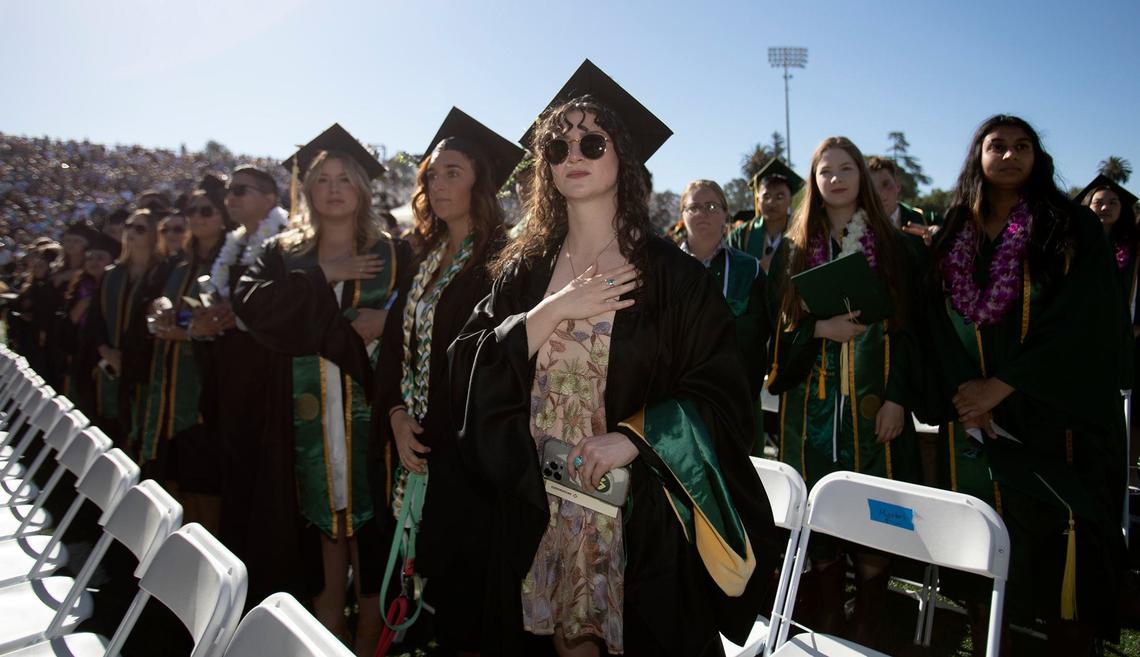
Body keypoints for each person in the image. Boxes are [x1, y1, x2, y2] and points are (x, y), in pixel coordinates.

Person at [449, 60, 773, 657]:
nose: (573, 152)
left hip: (635, 511)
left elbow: (723, 389)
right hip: (534, 501)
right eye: (557, 144)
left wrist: (637, 437)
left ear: (623, 156)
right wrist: (551, 312)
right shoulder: (524, 272)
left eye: (592, 141)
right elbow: (466, 363)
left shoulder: (674, 278)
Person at [920, 115, 1128, 655]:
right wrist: (968, 393)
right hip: (975, 426)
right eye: (997, 146)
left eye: (1022, 146)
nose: (1009, 156)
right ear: (978, 155)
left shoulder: (1069, 226)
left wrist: (1004, 385)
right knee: (984, 565)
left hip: (1055, 424)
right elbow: (933, 321)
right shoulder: (954, 232)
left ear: (1038, 157)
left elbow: (1086, 321)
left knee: (1065, 568)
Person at [235, 124, 408, 655]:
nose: (334, 189)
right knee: (320, 516)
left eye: (345, 179)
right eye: (322, 180)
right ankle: (327, 613)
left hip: (374, 410)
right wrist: (321, 274)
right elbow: (251, 307)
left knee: (371, 519)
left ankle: (371, 625)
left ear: (361, 188)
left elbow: (430, 315)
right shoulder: (281, 252)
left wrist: (391, 320)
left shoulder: (397, 252)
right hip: (300, 412)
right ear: (306, 191)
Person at [374, 107, 523, 656]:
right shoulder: (425, 258)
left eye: (453, 171)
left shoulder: (504, 262)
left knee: (469, 605)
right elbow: (395, 349)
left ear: (481, 179)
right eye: (432, 173)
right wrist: (393, 414)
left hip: (470, 466)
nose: (438, 183)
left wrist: (431, 431)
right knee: (431, 600)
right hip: (417, 450)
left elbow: (496, 366)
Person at [765, 136, 922, 645]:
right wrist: (817, 330)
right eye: (825, 170)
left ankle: (869, 619)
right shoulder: (792, 248)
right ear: (813, 180)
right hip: (808, 402)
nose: (835, 178)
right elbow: (776, 327)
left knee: (875, 511)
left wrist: (899, 397)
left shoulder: (892, 245)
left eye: (846, 168)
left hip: (874, 401)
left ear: (862, 176)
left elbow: (909, 328)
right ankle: (829, 613)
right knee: (818, 513)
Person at [137, 174, 233, 534]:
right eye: (191, 209)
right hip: (168, 389)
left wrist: (186, 329)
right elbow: (164, 309)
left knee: (203, 485)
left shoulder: (229, 262)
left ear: (222, 216)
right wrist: (161, 307)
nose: (197, 216)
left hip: (205, 394)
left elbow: (222, 323)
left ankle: (206, 570)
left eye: (206, 210)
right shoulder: (180, 265)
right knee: (172, 481)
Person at [674, 179, 770, 442]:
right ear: (682, 215)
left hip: (734, 399)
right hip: (674, 402)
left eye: (712, 206)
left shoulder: (748, 269)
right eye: (694, 207)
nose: (703, 213)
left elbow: (756, 335)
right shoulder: (665, 267)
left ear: (726, 214)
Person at [87, 209, 162, 449]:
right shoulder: (112, 274)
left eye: (140, 228)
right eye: (129, 226)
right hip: (108, 362)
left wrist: (127, 358)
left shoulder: (163, 273)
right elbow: (95, 318)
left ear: (153, 234)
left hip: (142, 367)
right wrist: (105, 350)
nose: (130, 232)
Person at [58, 231, 120, 414]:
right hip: (82, 356)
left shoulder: (117, 288)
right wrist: (84, 305)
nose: (93, 262)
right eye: (90, 258)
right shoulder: (79, 286)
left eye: (100, 258)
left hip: (107, 358)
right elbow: (69, 324)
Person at [728, 158, 803, 272]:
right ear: (758, 201)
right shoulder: (741, 236)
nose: (771, 203)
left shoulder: (802, 232)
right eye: (766, 196)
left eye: (779, 197)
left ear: (790, 201)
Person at [867, 156, 939, 244]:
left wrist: (937, 238)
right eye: (873, 188)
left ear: (897, 185)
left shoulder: (922, 219)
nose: (880, 193)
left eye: (886, 184)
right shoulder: (860, 226)